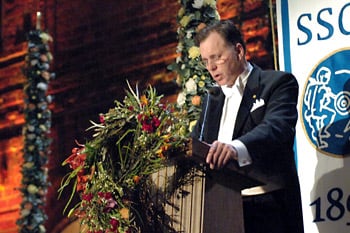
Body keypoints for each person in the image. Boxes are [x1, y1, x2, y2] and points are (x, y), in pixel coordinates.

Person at [191, 20, 304, 233]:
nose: (211, 68)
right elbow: (197, 143)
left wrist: (235, 148)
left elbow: (276, 127)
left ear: (239, 51)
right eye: (206, 61)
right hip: (221, 210)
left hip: (268, 208)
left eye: (216, 57)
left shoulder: (277, 83)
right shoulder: (211, 100)